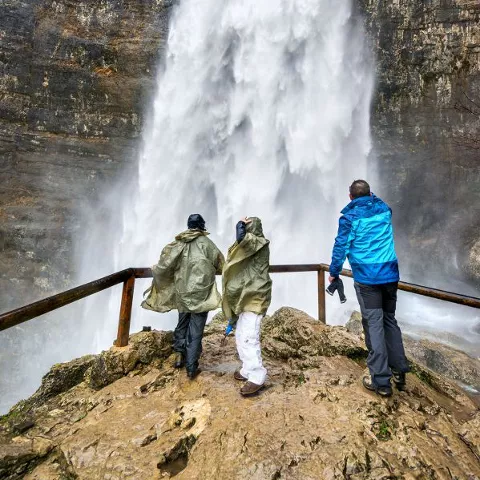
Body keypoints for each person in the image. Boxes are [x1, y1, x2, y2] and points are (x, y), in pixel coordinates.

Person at [329, 180, 409, 397]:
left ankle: (381, 381)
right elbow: (383, 206)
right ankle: (400, 371)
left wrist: (334, 272)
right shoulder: (384, 209)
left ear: (350, 197)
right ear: (371, 193)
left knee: (374, 324)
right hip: (390, 274)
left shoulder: (350, 218)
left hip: (368, 278)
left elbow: (340, 247)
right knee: (389, 320)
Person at [142, 214, 224, 379]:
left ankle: (179, 355)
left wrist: (155, 270)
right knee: (196, 329)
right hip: (201, 293)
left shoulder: (178, 244)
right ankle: (191, 367)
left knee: (182, 322)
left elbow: (164, 264)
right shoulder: (208, 244)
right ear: (202, 226)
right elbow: (221, 264)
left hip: (183, 291)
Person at [222, 216, 272, 396]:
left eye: (248, 224)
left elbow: (243, 239)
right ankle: (247, 368)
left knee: (249, 336)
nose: (246, 227)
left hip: (256, 296)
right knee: (241, 334)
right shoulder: (250, 246)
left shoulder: (259, 242)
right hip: (246, 296)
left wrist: (240, 225)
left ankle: (257, 376)